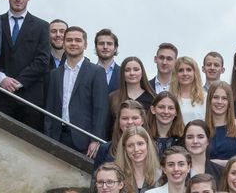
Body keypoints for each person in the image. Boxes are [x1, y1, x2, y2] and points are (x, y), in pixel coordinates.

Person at [0, 0, 51, 130]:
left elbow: (43, 61)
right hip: (1, 96)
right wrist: (2, 79)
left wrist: (17, 82)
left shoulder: (42, 27)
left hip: (30, 99)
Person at [44, 25, 110, 158]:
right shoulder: (55, 74)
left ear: (85, 45)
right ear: (63, 43)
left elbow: (100, 109)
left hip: (84, 140)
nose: (73, 43)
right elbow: (50, 108)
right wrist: (47, 136)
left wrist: (95, 139)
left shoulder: (96, 72)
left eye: (78, 40)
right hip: (57, 137)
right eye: (69, 40)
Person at [205, 82, 236, 162]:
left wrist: (217, 163)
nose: (219, 102)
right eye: (215, 97)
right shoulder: (202, 126)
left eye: (224, 98)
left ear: (229, 102)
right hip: (207, 174)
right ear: (209, 99)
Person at [114, 126, 161, 193]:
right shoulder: (116, 177)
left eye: (140, 144)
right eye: (130, 145)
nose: (136, 149)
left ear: (147, 145)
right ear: (124, 149)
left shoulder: (160, 175)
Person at [110, 56, 156, 124]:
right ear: (122, 73)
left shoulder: (153, 98)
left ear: (142, 72)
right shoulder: (113, 97)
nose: (132, 73)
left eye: (136, 69)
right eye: (127, 70)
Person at [147, 92, 183, 157]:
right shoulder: (144, 137)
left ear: (176, 112)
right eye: (161, 107)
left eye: (171, 108)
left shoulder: (183, 139)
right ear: (153, 109)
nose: (166, 112)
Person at [173, 56, 207, 123]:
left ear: (195, 73)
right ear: (175, 74)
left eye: (189, 70)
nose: (185, 74)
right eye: (181, 70)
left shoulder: (205, 97)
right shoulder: (170, 97)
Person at [95, 29, 121, 93]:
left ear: (115, 48)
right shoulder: (88, 73)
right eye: (101, 43)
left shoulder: (123, 73)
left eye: (109, 44)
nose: (105, 47)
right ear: (96, 47)